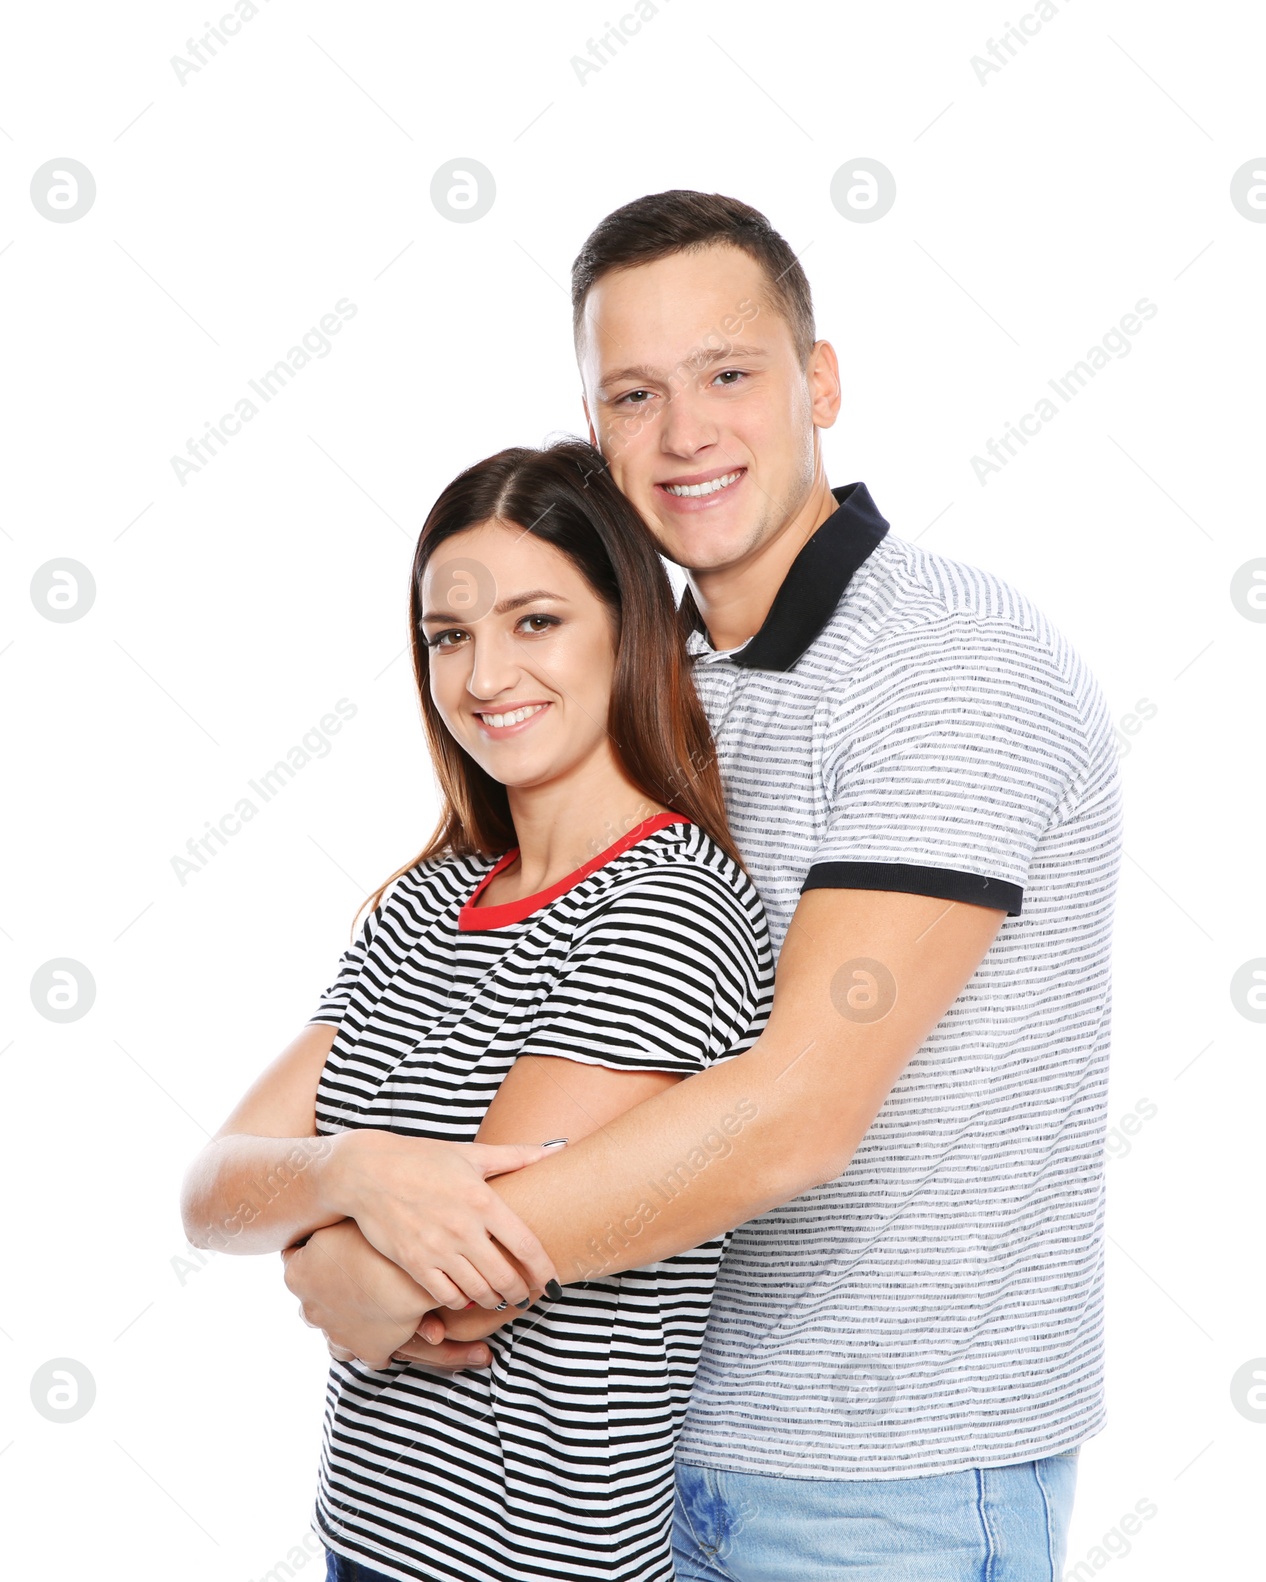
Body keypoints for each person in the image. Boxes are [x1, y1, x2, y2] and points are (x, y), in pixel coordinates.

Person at [278, 191, 1124, 1581]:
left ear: (820, 382)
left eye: (728, 374)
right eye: (634, 393)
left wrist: (402, 1263)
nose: (684, 433)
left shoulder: (953, 665)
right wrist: (333, 1199)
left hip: (886, 1478)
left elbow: (796, 1113)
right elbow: (461, 1025)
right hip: (633, 1456)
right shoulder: (645, 684)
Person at [179, 440, 776, 1581]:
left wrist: (325, 1240)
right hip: (364, 1544)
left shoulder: (668, 903)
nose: (485, 676)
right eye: (449, 636)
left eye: (535, 620)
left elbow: (469, 1264)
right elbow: (212, 1187)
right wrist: (350, 1174)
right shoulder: (424, 901)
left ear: (627, 627)